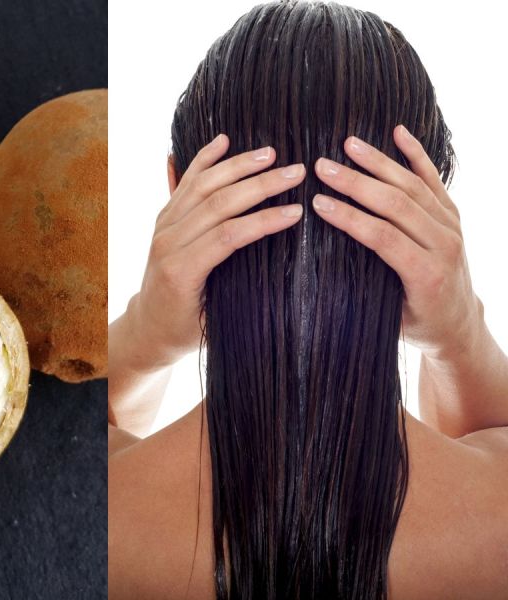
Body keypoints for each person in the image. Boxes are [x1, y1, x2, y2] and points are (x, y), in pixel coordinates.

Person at [107, 2, 508, 599]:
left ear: (179, 190)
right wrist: (459, 329)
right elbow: (487, 431)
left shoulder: (110, 512)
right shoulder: (493, 521)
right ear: (424, 217)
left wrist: (147, 329)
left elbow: (83, 424)